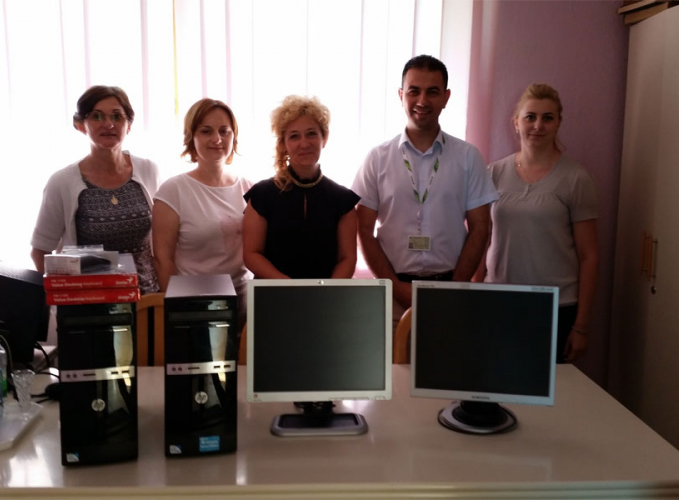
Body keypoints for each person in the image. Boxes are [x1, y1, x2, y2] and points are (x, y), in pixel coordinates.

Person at [352, 55, 498, 323]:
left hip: (451, 294)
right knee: (392, 353)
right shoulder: (377, 158)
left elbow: (480, 227)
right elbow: (362, 229)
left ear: (446, 97)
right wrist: (395, 287)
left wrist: (453, 288)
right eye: (414, 91)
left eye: (432, 92)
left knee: (447, 353)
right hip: (391, 296)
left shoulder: (468, 157)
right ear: (401, 95)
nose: (422, 100)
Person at [477, 83, 599, 363]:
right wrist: (475, 295)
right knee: (496, 381)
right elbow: (481, 240)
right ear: (516, 123)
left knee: (550, 388)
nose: (538, 125)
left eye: (548, 118)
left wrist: (581, 326)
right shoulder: (493, 173)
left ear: (558, 123)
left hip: (555, 307)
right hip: (498, 301)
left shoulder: (576, 179)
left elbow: (589, 256)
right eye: (530, 117)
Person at [30, 85, 160, 293]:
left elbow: (162, 241)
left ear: (128, 125)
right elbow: (40, 251)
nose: (108, 124)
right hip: (90, 302)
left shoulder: (148, 170)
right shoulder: (62, 181)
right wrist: (64, 294)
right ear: (81, 125)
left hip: (147, 298)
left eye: (117, 116)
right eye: (97, 116)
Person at [152, 98, 252, 321]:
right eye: (206, 131)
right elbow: (163, 260)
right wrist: (178, 311)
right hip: (195, 306)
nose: (217, 139)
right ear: (192, 137)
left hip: (244, 302)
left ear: (234, 136)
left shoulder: (248, 188)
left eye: (224, 131)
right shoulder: (173, 191)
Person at [243, 95, 359, 279]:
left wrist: (326, 291)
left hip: (327, 295)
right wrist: (291, 288)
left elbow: (347, 259)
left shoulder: (343, 200)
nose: (304, 144)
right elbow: (251, 255)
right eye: (294, 136)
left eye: (311, 133)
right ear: (283, 144)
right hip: (274, 294)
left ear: (324, 138)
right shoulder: (261, 195)